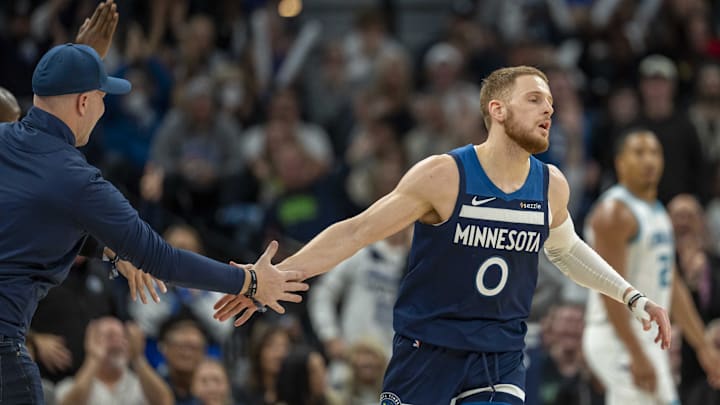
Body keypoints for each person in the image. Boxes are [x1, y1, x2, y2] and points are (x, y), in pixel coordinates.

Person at [214, 66, 672, 405]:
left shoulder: (551, 184)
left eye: (549, 101)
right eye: (534, 99)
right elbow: (356, 231)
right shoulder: (444, 175)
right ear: (497, 109)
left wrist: (633, 297)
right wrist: (269, 278)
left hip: (500, 353)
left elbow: (567, 249)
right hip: (427, 349)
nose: (549, 108)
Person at [0, 9, 306, 405]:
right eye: (101, 98)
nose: (104, 109)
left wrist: (109, 246)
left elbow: (34, 200)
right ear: (83, 102)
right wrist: (249, 282)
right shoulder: (78, 180)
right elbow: (161, 259)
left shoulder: (10, 141)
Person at [582, 129, 720, 404]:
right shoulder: (614, 212)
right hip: (615, 335)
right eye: (639, 152)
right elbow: (608, 289)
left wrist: (702, 346)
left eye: (655, 153)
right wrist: (634, 351)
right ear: (620, 162)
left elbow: (672, 285)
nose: (649, 160)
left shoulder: (657, 212)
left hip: (646, 338)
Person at [55, 317, 173, 405]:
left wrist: (138, 358)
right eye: (110, 336)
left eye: (122, 336)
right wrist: (94, 358)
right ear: (91, 342)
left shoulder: (140, 385)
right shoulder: (70, 385)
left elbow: (165, 401)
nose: (118, 342)